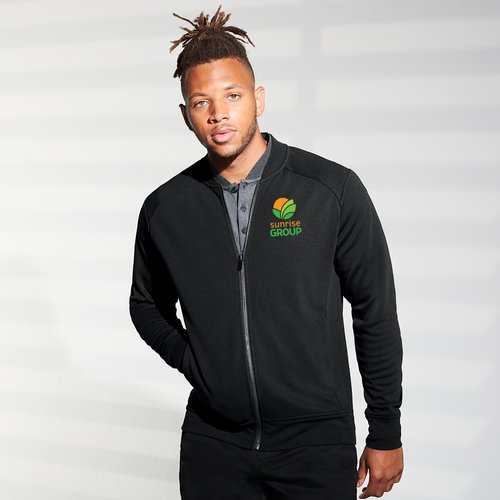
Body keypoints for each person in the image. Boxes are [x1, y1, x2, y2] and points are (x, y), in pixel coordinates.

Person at [129, 5, 404, 499]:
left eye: (232, 95)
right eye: (201, 102)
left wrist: (385, 430)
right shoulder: (166, 209)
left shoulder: (329, 190)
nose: (218, 113)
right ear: (186, 115)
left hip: (315, 443)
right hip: (214, 446)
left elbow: (375, 310)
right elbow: (145, 305)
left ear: (258, 98)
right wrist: (197, 363)